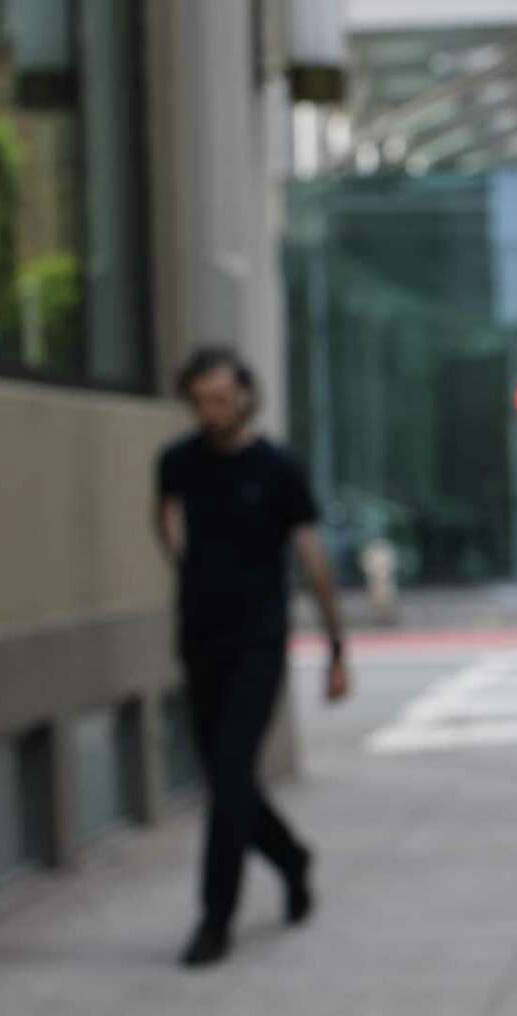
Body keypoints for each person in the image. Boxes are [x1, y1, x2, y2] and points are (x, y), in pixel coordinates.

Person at [154, 346, 350, 968]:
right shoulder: (178, 462)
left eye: (221, 399)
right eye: (200, 401)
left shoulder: (278, 468)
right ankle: (292, 858)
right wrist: (194, 576)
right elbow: (166, 525)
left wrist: (337, 647)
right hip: (199, 640)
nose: (211, 411)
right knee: (227, 780)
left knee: (232, 776)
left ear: (245, 395)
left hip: (258, 644)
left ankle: (215, 921)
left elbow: (314, 561)